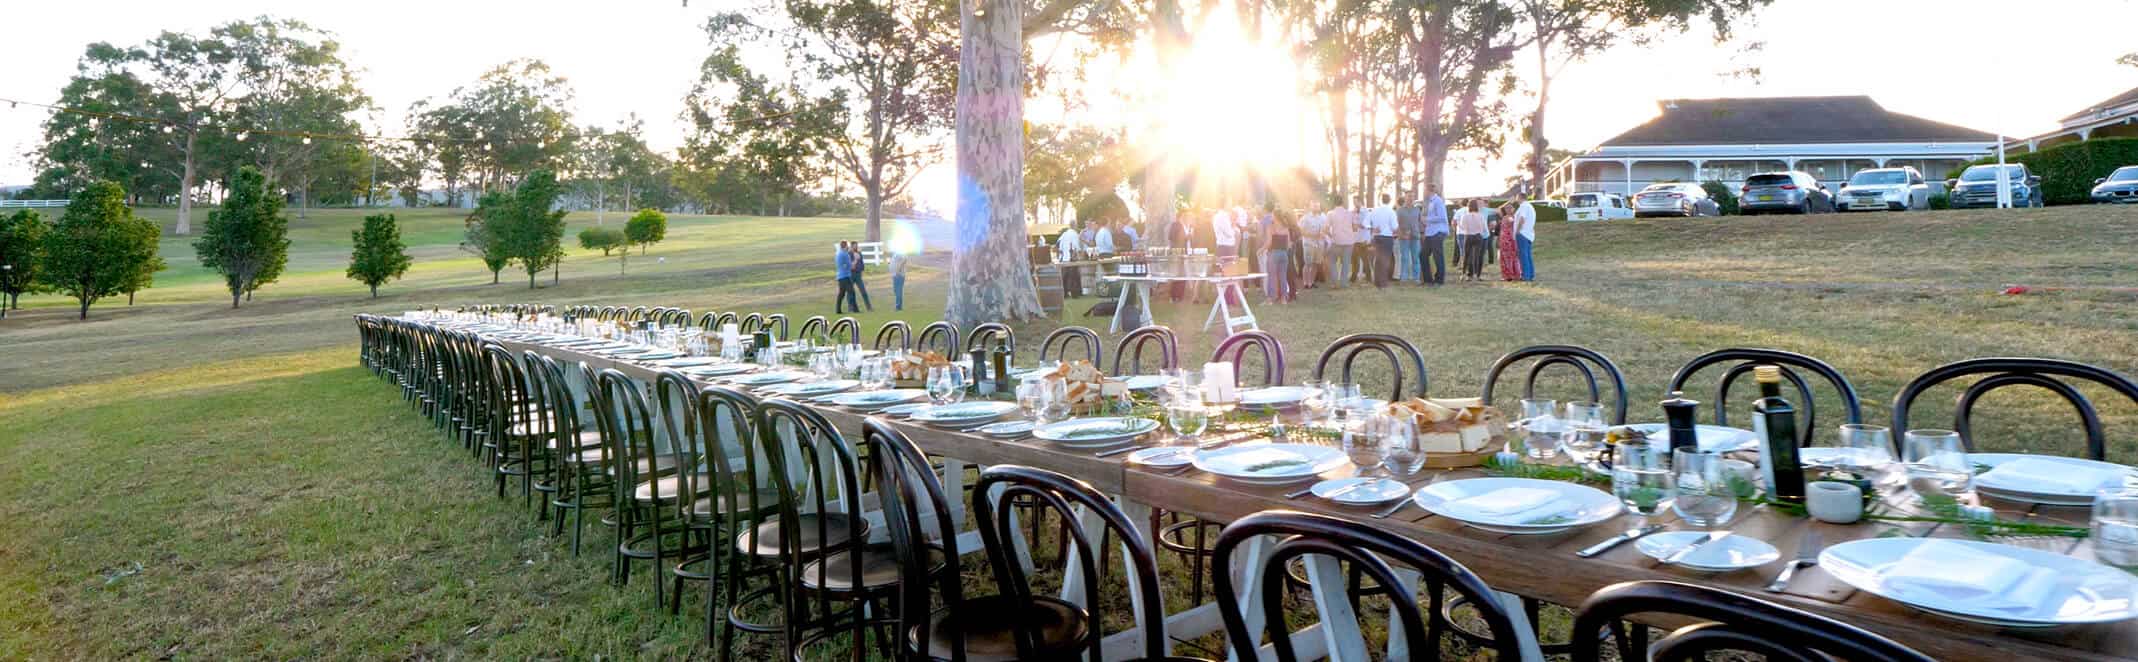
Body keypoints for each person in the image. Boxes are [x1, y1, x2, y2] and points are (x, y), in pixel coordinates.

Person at [1366, 193, 1398, 288]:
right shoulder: (1391, 212)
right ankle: (1383, 283)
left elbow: (1365, 223)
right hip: (1387, 238)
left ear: (1381, 200)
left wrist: (1372, 228)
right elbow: (1395, 226)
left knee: (1378, 260)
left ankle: (1377, 282)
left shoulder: (1374, 211)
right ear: (1389, 200)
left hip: (1376, 238)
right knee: (1386, 260)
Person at [1265, 208, 1296, 303]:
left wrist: (1261, 250)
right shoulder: (1286, 227)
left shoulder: (1271, 227)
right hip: (1284, 254)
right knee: (1282, 276)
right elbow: (1289, 244)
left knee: (1272, 276)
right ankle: (1283, 299)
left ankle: (1270, 299)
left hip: (1273, 253)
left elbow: (1269, 242)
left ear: (1275, 216)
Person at [1324, 199, 1355, 288]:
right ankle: (1344, 283)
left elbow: (1326, 229)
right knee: (1346, 263)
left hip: (1337, 241)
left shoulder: (1330, 213)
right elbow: (1355, 227)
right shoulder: (1349, 213)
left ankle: (1335, 282)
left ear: (1334, 204)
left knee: (1332, 261)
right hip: (1349, 241)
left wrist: (1331, 236)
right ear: (1343, 203)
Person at [1422, 186, 1449, 285]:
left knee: (1438, 256)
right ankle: (1428, 280)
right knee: (1423, 254)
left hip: (1438, 232)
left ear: (1429, 191)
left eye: (1424, 191)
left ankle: (1439, 280)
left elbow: (1441, 217)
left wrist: (1427, 219)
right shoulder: (1431, 202)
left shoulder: (1438, 201)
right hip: (1430, 233)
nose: (1424, 193)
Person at [1456, 198, 1488, 281]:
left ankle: (1463, 274)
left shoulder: (1465, 215)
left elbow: (1462, 226)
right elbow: (1484, 228)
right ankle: (1476, 275)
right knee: (1476, 256)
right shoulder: (1480, 215)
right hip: (1478, 236)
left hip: (1468, 235)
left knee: (1466, 256)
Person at [1298, 204, 1327, 289]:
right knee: (1307, 264)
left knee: (1316, 264)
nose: (1316, 207)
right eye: (1314, 206)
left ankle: (1311, 282)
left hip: (1319, 244)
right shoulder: (1305, 218)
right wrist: (1314, 235)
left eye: (1317, 206)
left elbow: (1325, 229)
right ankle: (1305, 283)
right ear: (1311, 207)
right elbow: (1301, 232)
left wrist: (1323, 233)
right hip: (1309, 244)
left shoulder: (1322, 218)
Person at [1396, 195, 1421, 283]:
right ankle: (1404, 277)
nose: (1410, 199)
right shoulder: (1399, 210)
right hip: (1404, 238)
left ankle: (1416, 278)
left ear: (1413, 199)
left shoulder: (1417, 210)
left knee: (1416, 258)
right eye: (1408, 197)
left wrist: (1421, 233)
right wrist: (1401, 234)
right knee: (1405, 258)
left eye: (1412, 197)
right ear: (1405, 199)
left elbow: (1420, 223)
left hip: (1415, 237)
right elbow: (1396, 224)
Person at [1057, 223, 1085, 298]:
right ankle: (1075, 293)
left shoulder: (1064, 234)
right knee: (1074, 276)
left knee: (1065, 277)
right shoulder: (1074, 234)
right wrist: (1079, 256)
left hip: (1063, 258)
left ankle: (1065, 293)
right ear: (1074, 226)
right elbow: (1076, 247)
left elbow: (1058, 243)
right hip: (1071, 258)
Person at [1514, 195, 1538, 281]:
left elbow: (1522, 218)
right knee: (1527, 255)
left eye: (1516, 198)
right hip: (1528, 234)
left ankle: (1526, 276)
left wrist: (1517, 230)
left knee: (1523, 255)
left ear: (1520, 197)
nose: (1516, 200)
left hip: (1522, 233)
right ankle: (1530, 274)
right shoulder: (1530, 206)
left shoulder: (1524, 206)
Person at [1497, 201, 1522, 281]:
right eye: (1506, 208)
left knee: (1511, 258)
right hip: (1504, 240)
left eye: (1510, 208)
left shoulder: (1512, 217)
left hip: (1510, 240)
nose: (1508, 209)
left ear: (1513, 209)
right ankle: (1508, 275)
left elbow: (1513, 224)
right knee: (1506, 258)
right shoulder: (1505, 217)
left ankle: (1512, 275)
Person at [834, 241, 859, 313]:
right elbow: (851, 266)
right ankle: (854, 309)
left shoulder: (838, 253)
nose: (849, 247)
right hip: (846, 276)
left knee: (841, 294)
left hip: (840, 276)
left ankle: (838, 310)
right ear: (845, 246)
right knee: (852, 292)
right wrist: (856, 259)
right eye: (848, 246)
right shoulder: (845, 254)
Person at [848, 242, 874, 311]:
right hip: (851, 275)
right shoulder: (849, 254)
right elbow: (850, 266)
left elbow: (862, 263)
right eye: (854, 246)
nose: (856, 247)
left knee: (863, 291)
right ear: (851, 246)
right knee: (850, 292)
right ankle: (850, 307)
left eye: (856, 246)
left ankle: (869, 307)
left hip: (858, 275)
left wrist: (861, 269)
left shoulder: (859, 253)